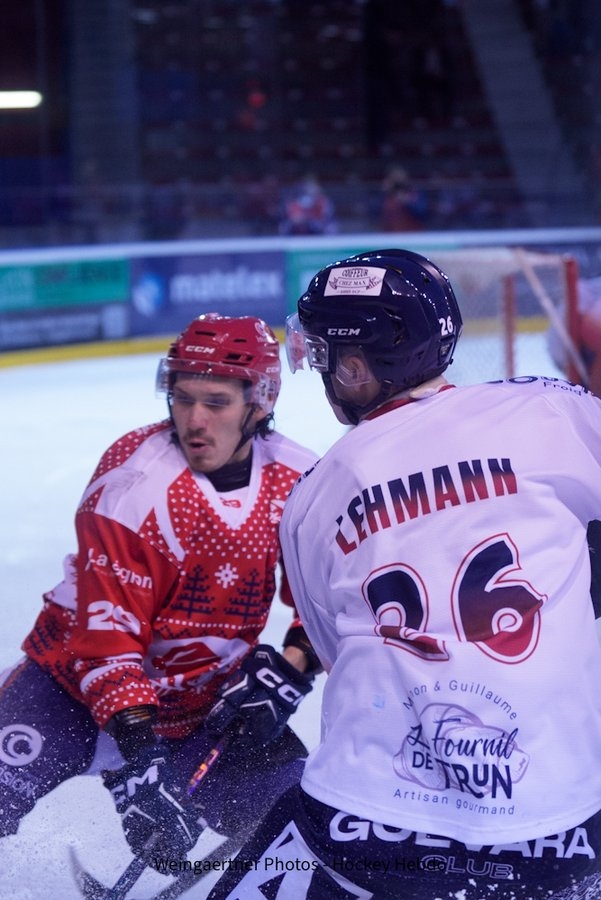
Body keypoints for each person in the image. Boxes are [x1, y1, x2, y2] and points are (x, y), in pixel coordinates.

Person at [207, 250, 601, 899]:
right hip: (565, 827)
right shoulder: (549, 409)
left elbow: (332, 647)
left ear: (356, 368)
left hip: (373, 823)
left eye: (327, 354)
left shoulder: (317, 492)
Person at [0, 313, 320, 872]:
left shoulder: (299, 480)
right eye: (181, 398)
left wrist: (288, 671)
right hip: (67, 691)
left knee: (308, 832)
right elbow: (106, 636)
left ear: (260, 401)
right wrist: (142, 762)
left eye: (215, 402)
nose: (194, 420)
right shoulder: (136, 483)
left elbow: (327, 601)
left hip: (201, 710)